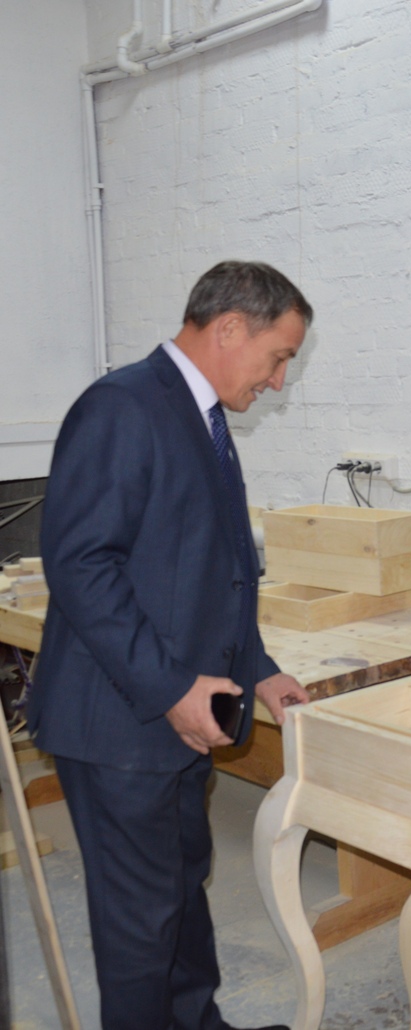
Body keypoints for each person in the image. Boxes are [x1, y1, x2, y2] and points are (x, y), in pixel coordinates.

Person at [32, 261, 314, 1030]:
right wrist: (170, 690)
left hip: (185, 711)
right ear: (230, 328)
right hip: (122, 723)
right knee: (140, 925)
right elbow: (81, 565)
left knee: (182, 888)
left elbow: (216, 569)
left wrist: (257, 669)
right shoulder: (122, 407)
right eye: (278, 358)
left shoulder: (203, 416)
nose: (278, 382)